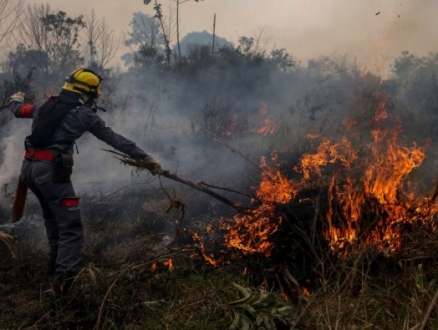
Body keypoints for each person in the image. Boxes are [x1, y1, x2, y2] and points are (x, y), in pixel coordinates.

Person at [8, 68, 162, 297]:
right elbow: (114, 139)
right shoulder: (83, 114)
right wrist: (144, 158)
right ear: (85, 92)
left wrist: (15, 100)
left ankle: (53, 272)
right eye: (93, 96)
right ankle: (62, 290)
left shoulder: (43, 105)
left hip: (29, 171)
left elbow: (20, 110)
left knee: (52, 217)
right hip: (51, 175)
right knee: (71, 227)